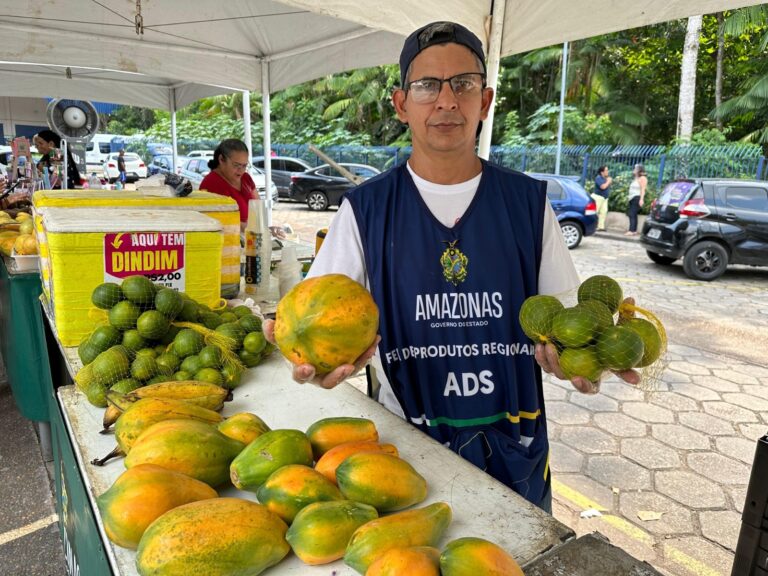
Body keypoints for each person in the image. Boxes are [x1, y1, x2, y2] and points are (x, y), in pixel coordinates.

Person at [264, 21, 638, 512]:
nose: (446, 101)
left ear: (484, 101)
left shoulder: (527, 203)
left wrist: (581, 362)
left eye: (462, 84)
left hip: (514, 449)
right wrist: (317, 367)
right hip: (404, 451)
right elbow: (315, 325)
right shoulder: (365, 210)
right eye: (427, 86)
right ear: (401, 104)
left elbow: (567, 325)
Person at [199, 139, 258, 230]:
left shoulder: (246, 178)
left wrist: (266, 228)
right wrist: (252, 228)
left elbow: (259, 208)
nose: (241, 170)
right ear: (221, 159)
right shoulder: (211, 183)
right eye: (236, 165)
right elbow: (218, 220)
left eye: (244, 166)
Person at [625, 163, 647, 236]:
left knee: (632, 213)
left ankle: (631, 230)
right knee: (633, 214)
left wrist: (641, 199)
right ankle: (634, 230)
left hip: (636, 197)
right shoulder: (636, 178)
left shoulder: (642, 178)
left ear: (639, 170)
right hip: (632, 197)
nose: (634, 170)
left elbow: (643, 189)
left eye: (635, 169)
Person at [592, 165, 612, 231]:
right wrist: (608, 181)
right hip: (598, 197)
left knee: (603, 212)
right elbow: (602, 187)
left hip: (604, 198)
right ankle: (591, 225)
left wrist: (608, 181)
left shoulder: (606, 178)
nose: (607, 172)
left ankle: (601, 227)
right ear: (602, 172)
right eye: (606, 170)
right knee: (594, 212)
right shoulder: (598, 178)